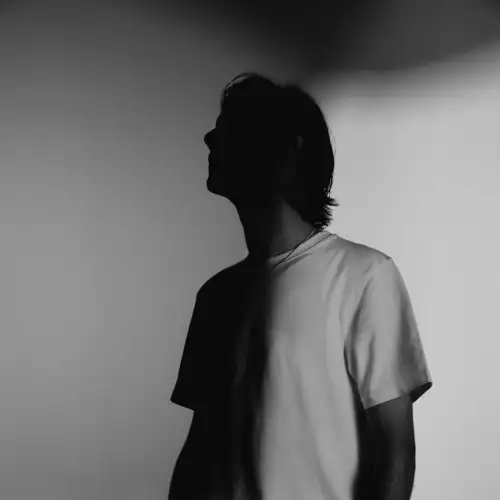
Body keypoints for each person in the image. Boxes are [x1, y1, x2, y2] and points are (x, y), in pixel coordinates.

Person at [168, 72, 433, 500]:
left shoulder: (366, 276)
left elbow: (396, 453)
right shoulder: (216, 297)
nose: (210, 138)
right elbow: (199, 450)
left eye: (232, 128)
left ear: (289, 151)